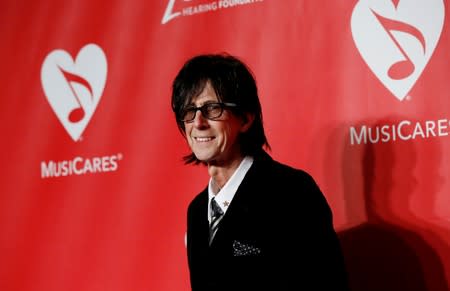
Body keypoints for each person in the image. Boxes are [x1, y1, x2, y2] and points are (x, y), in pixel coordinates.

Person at [171, 53, 349, 291]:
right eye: (189, 110)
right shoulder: (196, 210)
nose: (198, 122)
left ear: (245, 118)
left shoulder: (291, 192)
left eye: (212, 108)